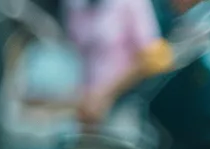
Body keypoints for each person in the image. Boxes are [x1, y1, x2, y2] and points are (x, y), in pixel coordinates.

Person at [62, 0, 174, 129]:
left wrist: (105, 96)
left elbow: (151, 58)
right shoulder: (73, 4)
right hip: (83, 105)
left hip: (123, 101)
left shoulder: (133, 3)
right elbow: (73, 51)